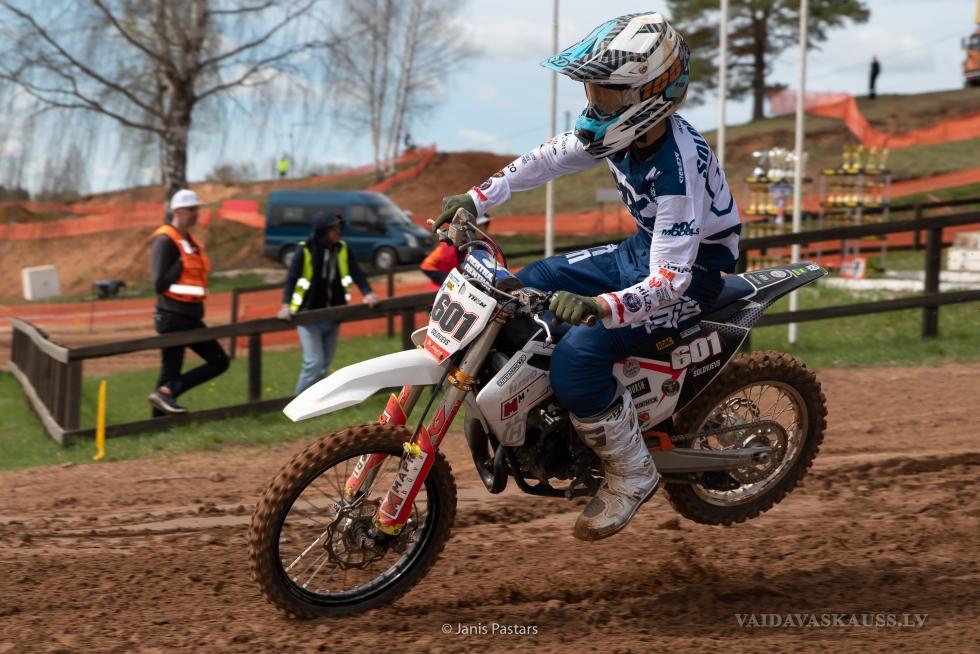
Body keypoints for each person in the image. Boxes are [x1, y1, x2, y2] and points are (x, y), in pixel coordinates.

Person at [432, 13, 740, 541]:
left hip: (692, 275)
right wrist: (478, 198)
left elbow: (670, 281)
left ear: (651, 93)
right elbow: (548, 159)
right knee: (526, 285)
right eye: (594, 91)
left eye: (609, 93)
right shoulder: (624, 134)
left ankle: (631, 471)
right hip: (641, 252)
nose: (596, 105)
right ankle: (546, 414)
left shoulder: (677, 169)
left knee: (578, 357)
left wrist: (601, 307)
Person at [277, 212, 380, 394]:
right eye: (333, 228)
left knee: (324, 365)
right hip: (308, 316)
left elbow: (357, 273)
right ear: (322, 230)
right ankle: (297, 404)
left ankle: (316, 404)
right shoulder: (305, 249)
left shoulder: (342, 249)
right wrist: (286, 304)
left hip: (333, 316)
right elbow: (291, 278)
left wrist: (368, 293)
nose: (338, 231)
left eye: (340, 227)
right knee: (314, 363)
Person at [148, 189, 230, 415]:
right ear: (178, 211)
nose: (196, 214)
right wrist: (181, 264)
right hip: (172, 316)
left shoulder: (191, 242)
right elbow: (158, 284)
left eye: (197, 209)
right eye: (192, 209)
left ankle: (166, 397)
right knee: (171, 372)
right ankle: (158, 420)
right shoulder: (164, 240)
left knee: (219, 361)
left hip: (191, 316)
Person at [420, 215, 490, 289]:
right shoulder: (447, 247)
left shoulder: (488, 245)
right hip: (445, 289)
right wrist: (448, 279)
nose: (484, 229)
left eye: (485, 225)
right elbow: (426, 265)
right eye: (480, 225)